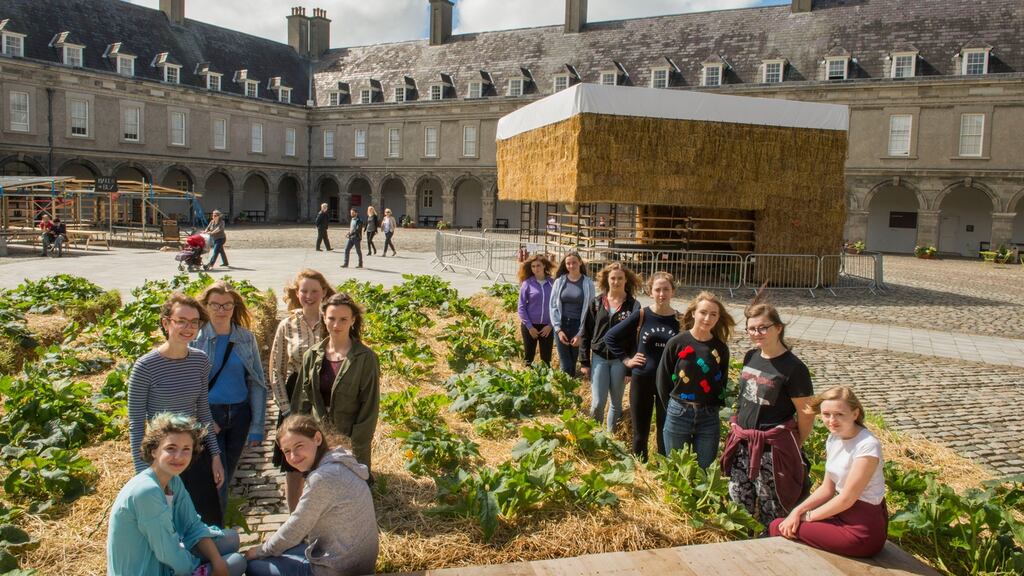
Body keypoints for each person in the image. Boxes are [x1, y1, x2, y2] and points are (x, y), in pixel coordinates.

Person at [128, 293, 225, 526]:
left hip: (195, 454)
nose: (188, 327)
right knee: (172, 526)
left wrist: (215, 456)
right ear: (166, 323)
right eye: (181, 321)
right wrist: (146, 477)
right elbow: (135, 425)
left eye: (194, 322)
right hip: (164, 457)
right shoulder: (145, 367)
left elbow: (203, 413)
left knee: (207, 521)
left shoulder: (200, 361)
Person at [108, 413, 246, 576]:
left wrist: (217, 562)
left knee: (231, 538)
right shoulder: (146, 491)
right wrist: (197, 568)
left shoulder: (172, 481)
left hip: (162, 558)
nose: (179, 457)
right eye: (171, 448)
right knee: (237, 562)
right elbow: (167, 551)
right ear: (154, 451)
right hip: (148, 569)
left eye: (186, 449)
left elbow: (192, 526)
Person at [244, 414, 379, 576]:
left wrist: (259, 551)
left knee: (254, 566)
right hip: (360, 560)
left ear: (317, 438)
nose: (293, 456)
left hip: (339, 569)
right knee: (286, 548)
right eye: (287, 451)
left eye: (299, 446)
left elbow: (296, 527)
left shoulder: (322, 478)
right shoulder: (339, 458)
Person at [720, 301, 815, 528]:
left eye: (763, 327)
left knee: (771, 505)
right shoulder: (751, 356)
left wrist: (794, 444)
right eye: (752, 328)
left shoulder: (794, 368)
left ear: (778, 328)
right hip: (743, 444)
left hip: (772, 450)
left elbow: (806, 413)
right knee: (739, 500)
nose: (757, 333)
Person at [771, 386, 887, 558]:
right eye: (826, 414)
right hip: (840, 514)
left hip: (861, 529)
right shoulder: (834, 437)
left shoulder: (867, 446)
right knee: (785, 523)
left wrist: (807, 517)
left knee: (778, 526)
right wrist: (797, 511)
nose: (832, 420)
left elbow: (847, 498)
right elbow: (827, 489)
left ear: (855, 414)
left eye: (839, 414)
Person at [192, 281, 268, 516]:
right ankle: (216, 530)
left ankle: (214, 529)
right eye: (215, 305)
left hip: (239, 415)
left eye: (227, 305)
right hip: (210, 414)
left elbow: (256, 382)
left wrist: (257, 427)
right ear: (205, 306)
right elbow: (190, 386)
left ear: (235, 307)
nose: (221, 310)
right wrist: (201, 420)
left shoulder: (246, 338)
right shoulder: (196, 338)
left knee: (228, 472)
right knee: (217, 477)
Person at [292, 293, 380, 477]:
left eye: (343, 319)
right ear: (323, 318)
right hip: (317, 437)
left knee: (350, 491)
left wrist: (355, 445)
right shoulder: (312, 355)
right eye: (331, 318)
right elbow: (302, 400)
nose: (336, 325)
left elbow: (369, 407)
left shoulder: (366, 358)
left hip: (349, 438)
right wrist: (299, 436)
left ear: (353, 320)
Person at [269, 269, 335, 512]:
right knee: (294, 461)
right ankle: (295, 516)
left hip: (325, 393)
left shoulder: (332, 322)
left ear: (324, 293)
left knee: (323, 456)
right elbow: (276, 370)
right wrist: (286, 409)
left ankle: (321, 513)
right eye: (304, 291)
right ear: (297, 293)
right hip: (295, 393)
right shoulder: (286, 325)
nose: (309, 296)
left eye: (315, 291)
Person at [605, 271, 680, 461]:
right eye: (657, 290)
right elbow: (610, 337)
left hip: (668, 385)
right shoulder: (642, 314)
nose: (662, 294)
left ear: (673, 292)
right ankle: (641, 469)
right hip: (642, 381)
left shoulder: (681, 320)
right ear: (650, 292)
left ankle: (664, 472)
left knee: (666, 430)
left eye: (666, 289)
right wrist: (626, 360)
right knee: (640, 433)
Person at [658, 291, 734, 469]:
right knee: (676, 470)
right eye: (703, 312)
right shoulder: (677, 343)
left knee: (705, 470)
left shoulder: (720, 349)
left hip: (708, 417)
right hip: (678, 413)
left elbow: (721, 381)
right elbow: (663, 379)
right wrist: (671, 408)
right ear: (693, 313)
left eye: (713, 314)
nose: (707, 318)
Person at [580, 262, 641, 432]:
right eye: (613, 278)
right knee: (598, 402)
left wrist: (630, 369)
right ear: (607, 280)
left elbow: (636, 339)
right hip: (599, 357)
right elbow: (586, 332)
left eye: (620, 278)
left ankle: (610, 438)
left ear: (626, 280)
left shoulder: (633, 306)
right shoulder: (597, 303)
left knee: (616, 403)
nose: (616, 282)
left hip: (620, 361)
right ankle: (594, 435)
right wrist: (584, 361)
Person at [549, 252, 595, 378]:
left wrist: (580, 334)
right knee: (565, 363)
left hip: (577, 326)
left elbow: (590, 310)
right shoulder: (559, 282)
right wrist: (558, 329)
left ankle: (569, 389)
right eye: (568, 263)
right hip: (562, 324)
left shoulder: (588, 283)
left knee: (573, 362)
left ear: (580, 262)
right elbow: (553, 306)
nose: (571, 265)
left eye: (574, 262)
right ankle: (564, 389)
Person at [516, 254, 555, 367]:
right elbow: (521, 307)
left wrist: (550, 325)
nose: (536, 268)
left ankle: (545, 382)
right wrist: (529, 327)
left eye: (538, 265)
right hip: (530, 326)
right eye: (533, 266)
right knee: (528, 359)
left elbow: (557, 306)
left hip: (546, 327)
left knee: (546, 361)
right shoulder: (527, 284)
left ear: (544, 266)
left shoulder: (553, 283)